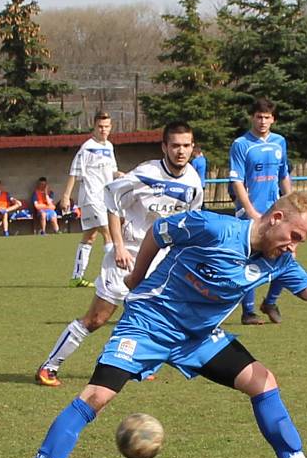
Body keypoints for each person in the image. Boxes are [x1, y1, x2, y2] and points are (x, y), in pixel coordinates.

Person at [12, 192, 307, 458]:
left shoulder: (278, 261)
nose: (294, 246)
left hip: (199, 336)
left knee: (262, 381)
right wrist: (137, 277)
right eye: (294, 235)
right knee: (96, 395)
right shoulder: (214, 228)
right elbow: (159, 231)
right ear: (276, 218)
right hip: (150, 323)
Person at [36, 122, 203, 387]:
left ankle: (141, 364)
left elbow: (189, 220)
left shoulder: (193, 181)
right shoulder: (146, 173)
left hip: (160, 259)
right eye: (175, 145)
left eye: (185, 145)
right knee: (98, 318)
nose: (180, 151)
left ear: (192, 147)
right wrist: (118, 246)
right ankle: (49, 366)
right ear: (164, 147)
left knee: (150, 314)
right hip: (128, 254)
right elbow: (112, 203)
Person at [229, 98, 292, 325]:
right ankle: (248, 312)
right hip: (250, 215)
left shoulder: (279, 142)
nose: (263, 121)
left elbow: (283, 174)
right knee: (250, 261)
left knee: (288, 256)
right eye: (259, 117)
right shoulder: (241, 144)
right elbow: (237, 182)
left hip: (276, 212)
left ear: (273, 119)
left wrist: (290, 203)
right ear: (252, 118)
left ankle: (271, 301)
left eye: (267, 117)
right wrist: (251, 211)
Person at [61, 111, 124, 287]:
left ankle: (76, 277)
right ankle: (112, 278)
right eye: (100, 127)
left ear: (110, 128)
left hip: (105, 198)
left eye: (106, 127)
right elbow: (74, 172)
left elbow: (111, 171)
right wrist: (66, 196)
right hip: (91, 197)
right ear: (94, 128)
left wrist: (121, 175)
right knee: (109, 233)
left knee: (90, 237)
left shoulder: (109, 147)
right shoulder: (87, 147)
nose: (103, 130)